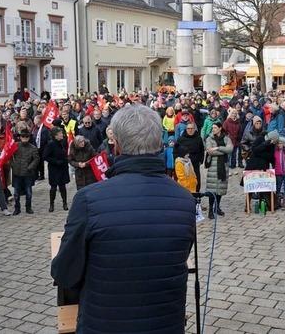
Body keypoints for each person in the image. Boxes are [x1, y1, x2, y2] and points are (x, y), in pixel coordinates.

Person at [51, 104, 195, 333]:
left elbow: (64, 273)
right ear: (159, 144)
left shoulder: (88, 200)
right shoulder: (185, 200)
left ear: (116, 145)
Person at [204, 121, 233, 219]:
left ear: (220, 128)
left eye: (215, 127)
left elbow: (230, 149)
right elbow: (210, 151)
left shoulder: (226, 138)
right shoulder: (209, 138)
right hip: (213, 166)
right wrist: (223, 151)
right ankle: (210, 209)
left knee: (220, 188)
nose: (213, 129)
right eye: (213, 128)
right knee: (212, 190)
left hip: (223, 167)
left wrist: (218, 148)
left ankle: (217, 207)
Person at [10, 131, 39, 215]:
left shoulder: (33, 148)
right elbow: (9, 155)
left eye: (26, 137)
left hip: (28, 173)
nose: (24, 139)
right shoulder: (15, 145)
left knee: (28, 192)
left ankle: (28, 207)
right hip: (17, 173)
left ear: (29, 138)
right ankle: (17, 208)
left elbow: (36, 159)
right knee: (16, 193)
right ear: (20, 137)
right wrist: (13, 165)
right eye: (23, 137)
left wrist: (30, 167)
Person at [44, 127, 70, 212]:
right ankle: (51, 204)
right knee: (53, 187)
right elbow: (45, 156)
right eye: (60, 133)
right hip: (54, 169)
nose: (62, 134)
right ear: (55, 136)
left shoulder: (62, 142)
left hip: (63, 168)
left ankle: (65, 203)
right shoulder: (51, 144)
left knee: (63, 187)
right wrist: (56, 161)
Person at [174, 122, 205, 192]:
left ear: (194, 129)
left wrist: (201, 160)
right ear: (186, 129)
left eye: (192, 128)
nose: (190, 130)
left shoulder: (198, 138)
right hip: (184, 164)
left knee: (197, 181)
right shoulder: (181, 139)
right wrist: (176, 161)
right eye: (188, 128)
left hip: (195, 163)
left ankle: (196, 197)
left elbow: (202, 150)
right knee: (184, 183)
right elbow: (175, 151)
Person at [273, 136, 285, 208]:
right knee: (278, 185)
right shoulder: (275, 152)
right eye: (278, 143)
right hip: (278, 172)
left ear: (284, 144)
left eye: (281, 143)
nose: (280, 144)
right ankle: (277, 200)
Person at [32, 114, 50, 181]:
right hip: (36, 147)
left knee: (40, 162)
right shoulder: (35, 128)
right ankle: (36, 175)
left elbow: (46, 139)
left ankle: (41, 175)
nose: (34, 121)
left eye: (35, 119)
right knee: (37, 162)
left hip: (42, 147)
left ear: (39, 120)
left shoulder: (44, 129)